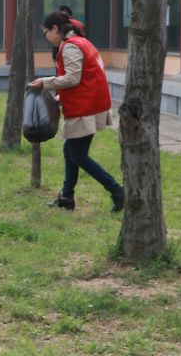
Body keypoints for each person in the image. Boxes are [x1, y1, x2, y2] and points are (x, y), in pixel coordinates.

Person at [28, 11, 125, 212]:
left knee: (78, 155)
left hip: (86, 107)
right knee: (70, 151)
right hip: (91, 103)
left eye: (46, 33)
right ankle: (67, 197)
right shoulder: (81, 41)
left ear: (55, 29)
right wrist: (60, 96)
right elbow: (84, 77)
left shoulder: (70, 46)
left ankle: (117, 190)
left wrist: (44, 82)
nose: (47, 38)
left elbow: (73, 78)